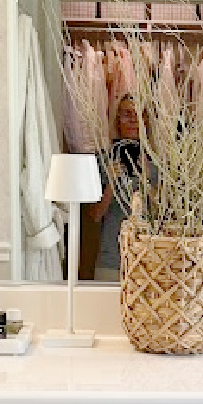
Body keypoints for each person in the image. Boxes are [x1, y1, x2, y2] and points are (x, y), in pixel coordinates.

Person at [89, 96, 150, 279]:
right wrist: (111, 184)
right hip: (111, 260)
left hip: (149, 260)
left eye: (138, 115)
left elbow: (164, 215)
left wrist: (146, 180)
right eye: (126, 114)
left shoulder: (156, 164)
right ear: (117, 121)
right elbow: (94, 215)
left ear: (145, 121)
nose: (132, 120)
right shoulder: (102, 161)